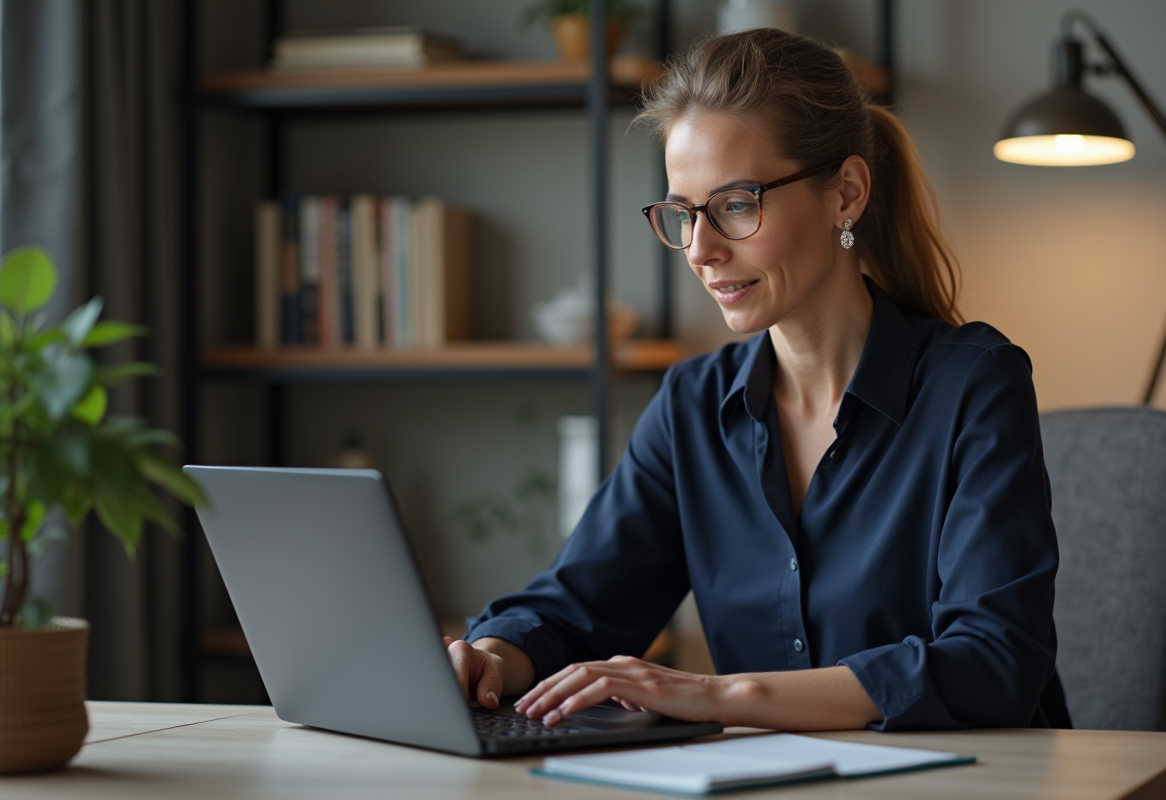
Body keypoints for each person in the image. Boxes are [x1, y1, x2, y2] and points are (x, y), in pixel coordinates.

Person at [443, 27, 1070, 732]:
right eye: (683, 213)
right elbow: (574, 608)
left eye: (737, 204)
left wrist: (720, 695)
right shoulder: (692, 405)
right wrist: (493, 655)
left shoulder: (975, 385)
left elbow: (994, 663)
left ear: (847, 194)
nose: (702, 250)